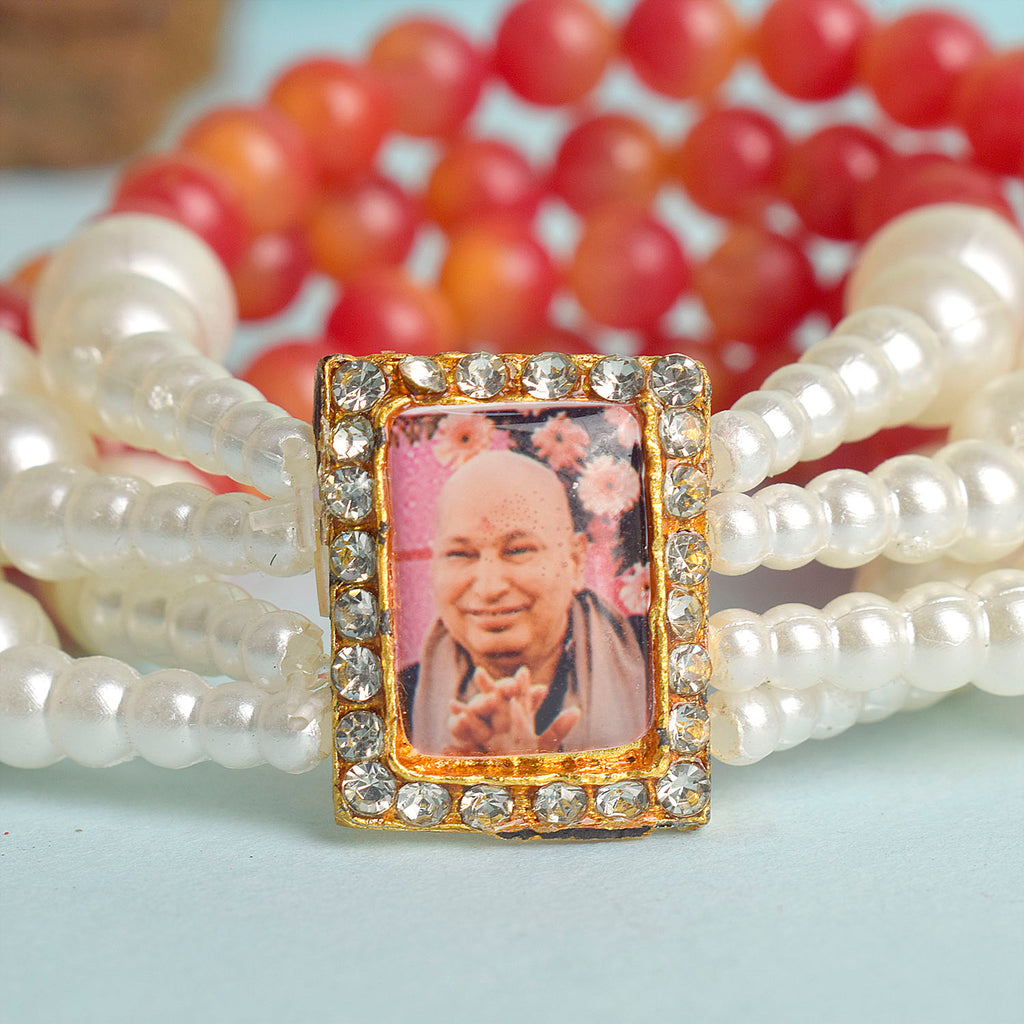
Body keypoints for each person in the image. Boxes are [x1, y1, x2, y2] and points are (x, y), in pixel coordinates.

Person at [400, 449, 650, 756]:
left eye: (518, 550)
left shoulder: (652, 661)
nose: (489, 588)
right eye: (460, 554)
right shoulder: (400, 700)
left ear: (575, 561)